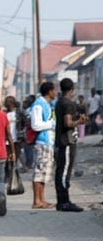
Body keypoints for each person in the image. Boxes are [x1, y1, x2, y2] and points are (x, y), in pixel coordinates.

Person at [54, 78, 87, 212]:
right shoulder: (68, 104)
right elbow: (68, 123)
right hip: (67, 142)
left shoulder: (59, 102)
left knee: (61, 171)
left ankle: (61, 202)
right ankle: (65, 202)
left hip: (62, 141)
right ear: (72, 89)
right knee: (64, 173)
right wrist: (79, 121)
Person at [29, 82, 57, 209]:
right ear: (49, 91)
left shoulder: (47, 104)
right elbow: (36, 125)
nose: (55, 92)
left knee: (44, 173)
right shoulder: (38, 105)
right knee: (39, 171)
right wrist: (51, 124)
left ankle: (42, 200)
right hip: (42, 142)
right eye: (54, 90)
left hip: (48, 142)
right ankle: (36, 201)